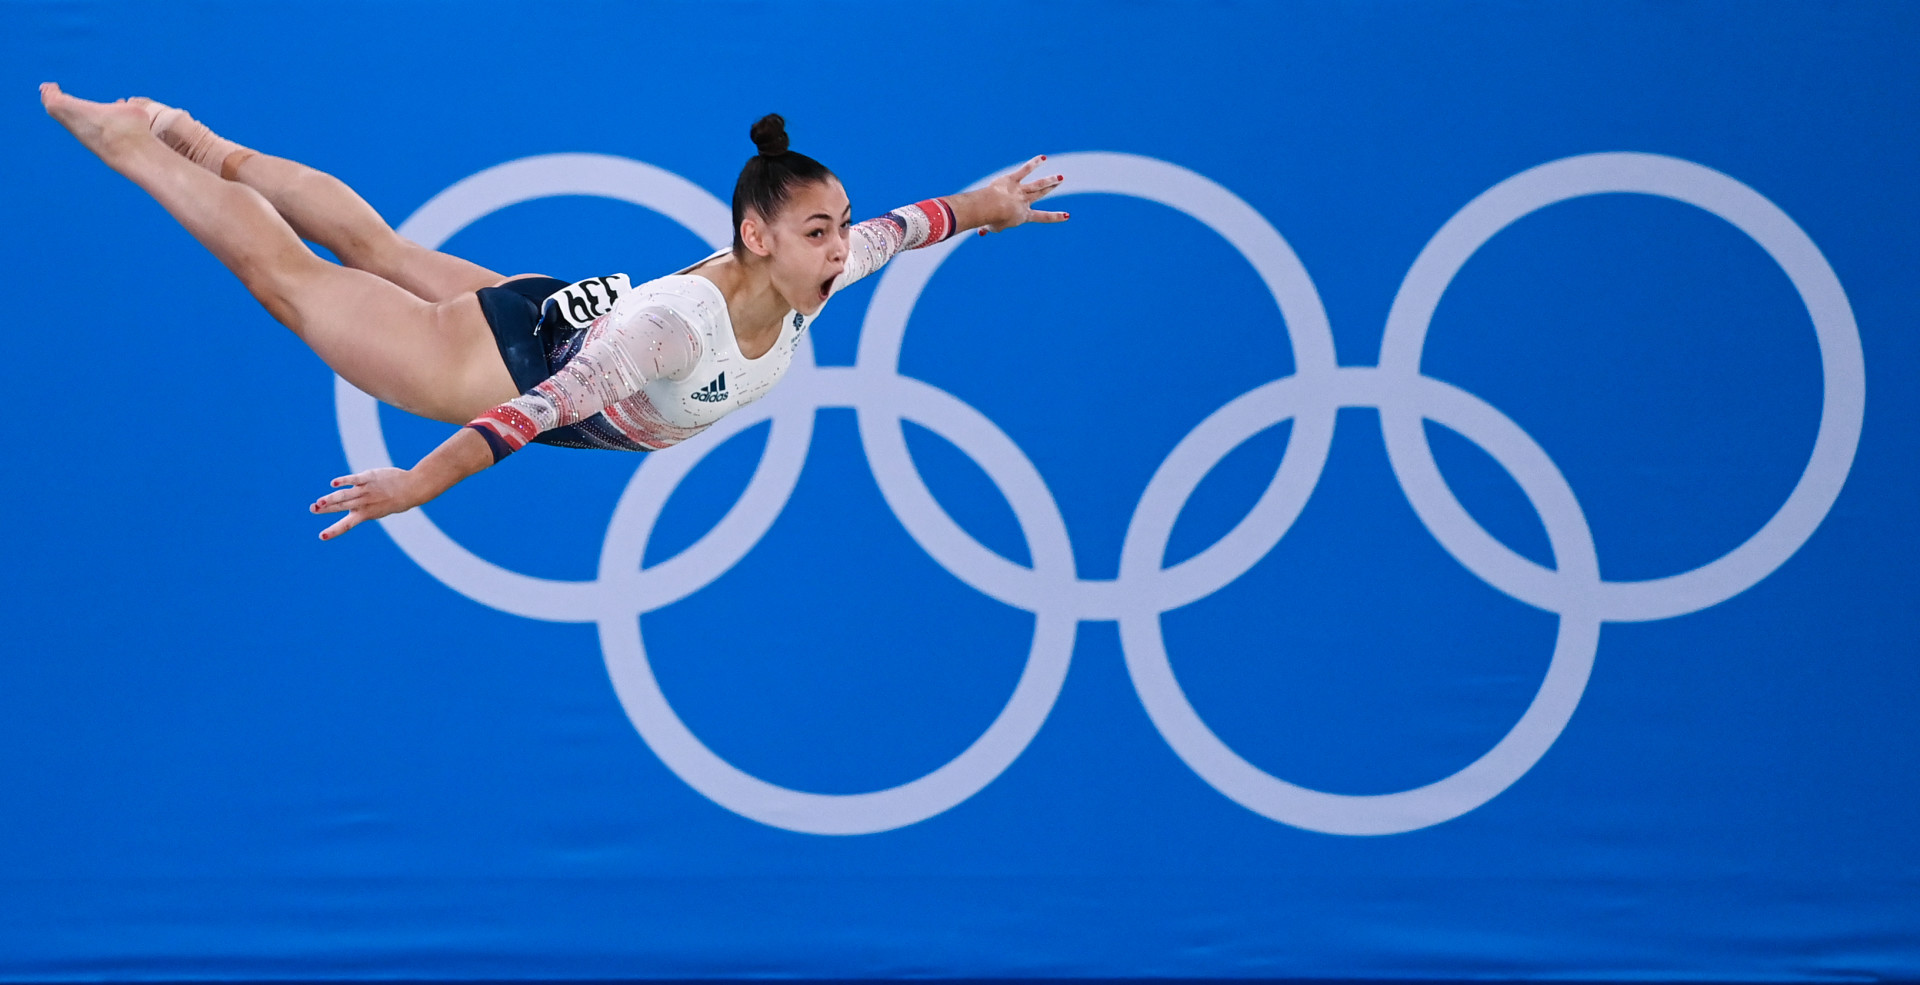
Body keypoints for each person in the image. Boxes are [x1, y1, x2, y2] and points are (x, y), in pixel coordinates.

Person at [39, 83, 1068, 541]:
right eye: (818, 230)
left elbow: (913, 222)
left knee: (382, 248)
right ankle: (135, 142)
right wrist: (414, 485)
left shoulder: (824, 271)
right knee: (293, 285)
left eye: (838, 225)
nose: (843, 244)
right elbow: (518, 421)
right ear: (757, 236)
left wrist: (988, 208)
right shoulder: (675, 328)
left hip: (555, 314)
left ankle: (186, 130)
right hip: (493, 368)